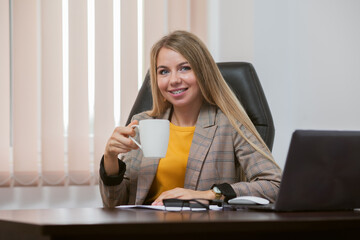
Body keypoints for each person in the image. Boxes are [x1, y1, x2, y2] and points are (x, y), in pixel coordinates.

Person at [99, 30, 282, 207]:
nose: (174, 80)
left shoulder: (228, 124)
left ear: (203, 73)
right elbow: (115, 204)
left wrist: (210, 194)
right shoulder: (143, 124)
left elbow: (275, 185)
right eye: (164, 71)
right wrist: (110, 159)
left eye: (184, 68)